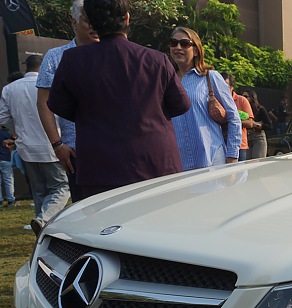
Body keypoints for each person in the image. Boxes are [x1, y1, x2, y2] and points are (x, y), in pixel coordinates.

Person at [47, 0, 190, 200]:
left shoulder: (73, 60)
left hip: (100, 167)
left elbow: (57, 105)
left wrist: (90, 115)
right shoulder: (156, 59)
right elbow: (181, 104)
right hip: (155, 163)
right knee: (158, 226)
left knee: (105, 228)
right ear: (127, 18)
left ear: (90, 21)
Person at [36, 0, 99, 200]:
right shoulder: (56, 57)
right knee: (85, 209)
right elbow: (44, 103)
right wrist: (57, 144)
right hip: (76, 151)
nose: (95, 25)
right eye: (88, 20)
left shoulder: (113, 54)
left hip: (116, 148)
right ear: (73, 22)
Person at [0, 55, 70, 229]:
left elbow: (3, 117)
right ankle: (44, 219)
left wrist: (16, 132)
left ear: (26, 67)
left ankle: (41, 224)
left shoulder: (10, 88)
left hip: (26, 147)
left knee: (39, 191)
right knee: (62, 187)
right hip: (52, 143)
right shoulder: (51, 84)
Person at [168, 27, 241, 170]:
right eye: (173, 43)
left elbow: (234, 117)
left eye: (184, 43)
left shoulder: (210, 77)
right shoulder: (167, 81)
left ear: (196, 50)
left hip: (212, 159)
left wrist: (232, 157)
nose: (178, 47)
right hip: (179, 164)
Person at [221, 73, 254, 161]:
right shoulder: (216, 101)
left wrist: (231, 120)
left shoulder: (242, 100)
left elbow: (250, 123)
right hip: (221, 144)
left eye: (225, 86)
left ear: (232, 87)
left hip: (240, 145)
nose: (222, 89)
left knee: (240, 173)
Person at [241, 89, 269, 159]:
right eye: (242, 96)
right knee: (247, 163)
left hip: (258, 137)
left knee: (256, 162)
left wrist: (258, 125)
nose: (243, 98)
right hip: (246, 137)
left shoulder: (260, 109)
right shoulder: (242, 110)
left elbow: (269, 125)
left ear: (252, 97)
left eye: (246, 96)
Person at [0, 125, 14, 207]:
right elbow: (12, 146)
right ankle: (10, 200)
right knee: (8, 181)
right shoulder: (6, 134)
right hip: (6, 159)